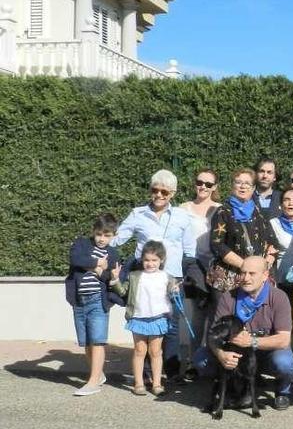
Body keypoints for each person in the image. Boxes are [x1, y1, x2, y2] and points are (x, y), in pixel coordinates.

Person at [113, 169, 196, 378]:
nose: (159, 195)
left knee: (173, 325)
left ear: (173, 194)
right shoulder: (137, 214)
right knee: (147, 323)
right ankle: (150, 373)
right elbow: (116, 240)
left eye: (164, 192)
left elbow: (190, 251)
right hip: (145, 280)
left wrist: (184, 278)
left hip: (172, 280)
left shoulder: (182, 216)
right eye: (155, 190)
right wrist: (94, 247)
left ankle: (172, 372)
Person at [195, 256, 293, 410]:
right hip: (238, 355)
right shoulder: (228, 297)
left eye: (252, 273)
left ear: (265, 275)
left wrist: (251, 342)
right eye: (242, 273)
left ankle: (282, 391)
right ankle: (225, 388)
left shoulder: (279, 297)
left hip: (266, 353)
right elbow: (213, 336)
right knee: (201, 358)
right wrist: (221, 355)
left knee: (285, 363)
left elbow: (284, 340)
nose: (245, 278)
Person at [65, 213, 122, 396]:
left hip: (98, 299)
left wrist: (103, 273)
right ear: (93, 231)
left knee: (97, 341)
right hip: (80, 300)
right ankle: (99, 375)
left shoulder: (113, 254)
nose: (102, 239)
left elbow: (110, 277)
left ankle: (93, 382)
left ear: (114, 235)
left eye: (107, 235)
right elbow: (75, 259)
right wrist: (97, 263)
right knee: (87, 342)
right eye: (99, 234)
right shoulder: (81, 244)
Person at [111, 241, 175, 396]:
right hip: (138, 317)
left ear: (162, 260)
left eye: (154, 260)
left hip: (158, 317)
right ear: (142, 260)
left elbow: (172, 295)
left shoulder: (167, 277)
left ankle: (157, 383)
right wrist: (115, 280)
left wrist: (175, 290)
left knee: (156, 352)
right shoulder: (134, 276)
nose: (150, 263)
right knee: (140, 350)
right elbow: (123, 292)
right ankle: (139, 383)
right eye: (147, 260)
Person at [208, 168, 279, 298]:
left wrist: (264, 266)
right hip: (229, 279)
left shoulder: (258, 213)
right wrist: (245, 266)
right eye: (238, 182)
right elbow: (217, 245)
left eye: (247, 183)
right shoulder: (222, 212)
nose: (242, 186)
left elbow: (273, 243)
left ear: (253, 189)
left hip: (257, 278)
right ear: (232, 186)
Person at [179, 168, 221, 378]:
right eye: (200, 182)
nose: (203, 187)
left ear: (215, 187)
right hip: (193, 266)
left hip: (217, 266)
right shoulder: (182, 209)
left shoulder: (221, 210)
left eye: (208, 184)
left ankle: (213, 361)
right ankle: (194, 361)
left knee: (216, 316)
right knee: (197, 316)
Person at [269, 188, 293, 299]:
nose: (290, 203)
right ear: (281, 204)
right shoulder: (273, 224)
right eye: (286, 199)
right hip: (282, 278)